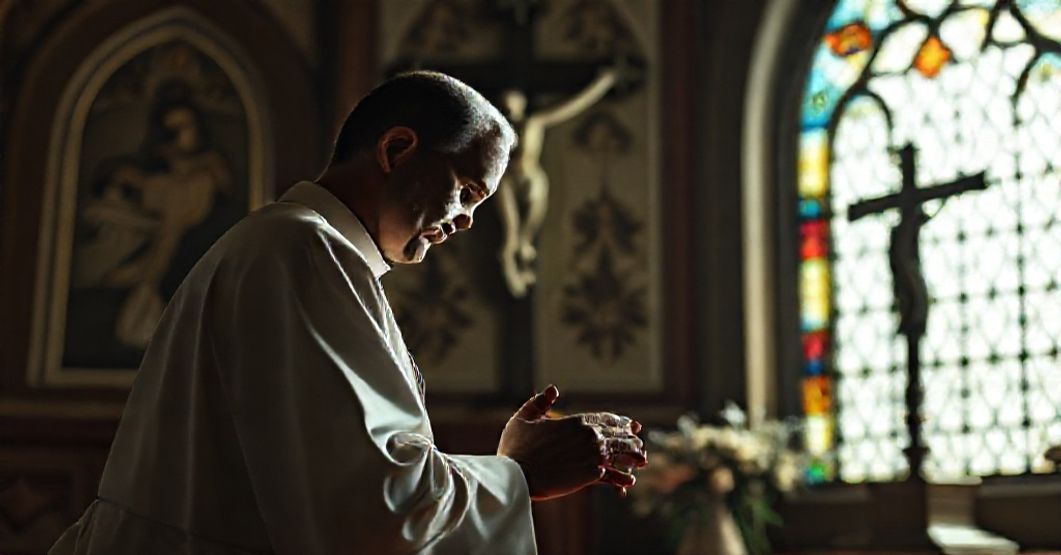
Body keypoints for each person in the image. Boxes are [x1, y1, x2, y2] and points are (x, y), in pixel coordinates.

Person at [50, 71, 646, 554]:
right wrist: (517, 475)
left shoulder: (300, 250)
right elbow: (366, 514)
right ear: (396, 149)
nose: (466, 221)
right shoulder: (302, 252)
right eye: (466, 190)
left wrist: (508, 470)